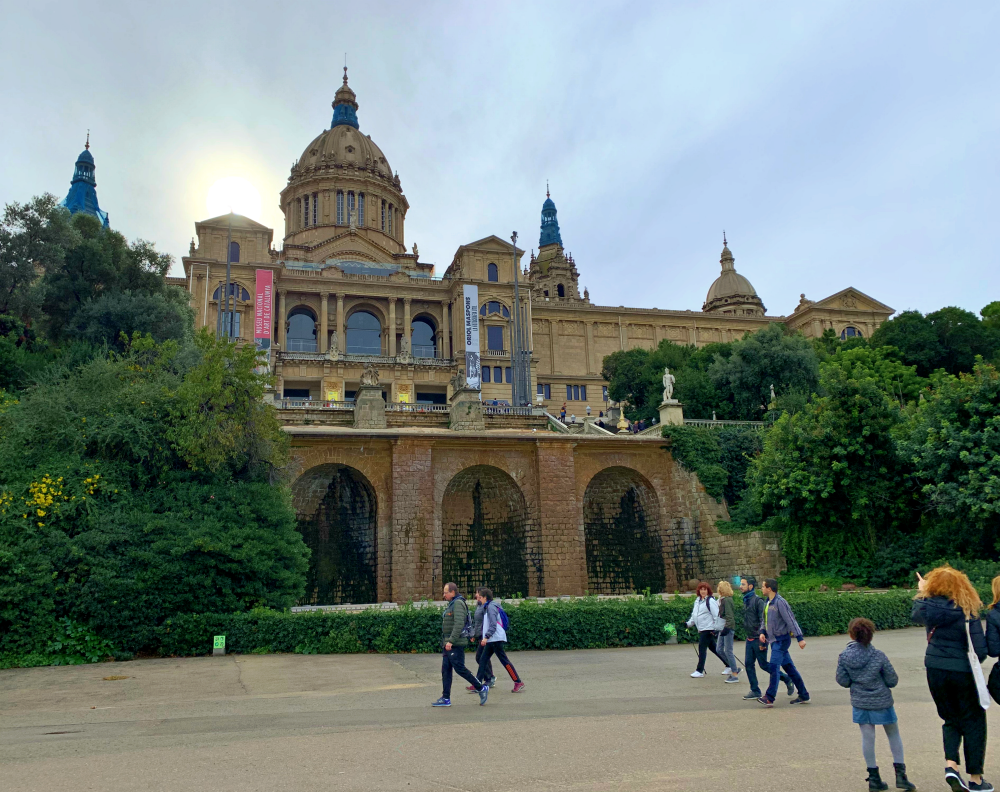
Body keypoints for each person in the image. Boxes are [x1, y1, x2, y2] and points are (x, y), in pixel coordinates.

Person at [913, 566, 991, 792]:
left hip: (935, 668)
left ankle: (951, 766)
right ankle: (976, 779)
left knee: (950, 718)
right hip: (963, 671)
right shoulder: (967, 610)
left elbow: (917, 610)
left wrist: (924, 590)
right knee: (974, 721)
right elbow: (981, 650)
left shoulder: (927, 609)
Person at [836, 617, 915, 791]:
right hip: (882, 700)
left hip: (860, 701)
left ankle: (873, 778)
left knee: (867, 737)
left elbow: (842, 680)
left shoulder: (844, 656)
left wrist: (854, 682)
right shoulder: (878, 655)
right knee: (893, 734)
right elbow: (892, 680)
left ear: (851, 635)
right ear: (871, 635)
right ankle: (901, 775)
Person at [432, 582, 488, 707]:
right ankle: (446, 698)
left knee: (459, 668)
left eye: (446, 592)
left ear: (453, 592)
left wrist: (451, 641)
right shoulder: (453, 603)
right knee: (446, 670)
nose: (444, 595)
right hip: (449, 643)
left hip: (455, 643)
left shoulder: (457, 603)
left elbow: (458, 624)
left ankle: (481, 688)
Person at [757, 577, 810, 707]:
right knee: (790, 668)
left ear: (769, 588)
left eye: (763, 586)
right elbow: (765, 620)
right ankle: (803, 694)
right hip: (774, 640)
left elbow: (790, 620)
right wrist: (762, 632)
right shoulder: (767, 602)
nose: (762, 588)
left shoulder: (780, 602)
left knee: (774, 666)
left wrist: (800, 638)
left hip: (781, 640)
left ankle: (769, 697)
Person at [740, 576, 793, 700]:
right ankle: (755, 690)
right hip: (750, 638)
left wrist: (762, 638)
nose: (740, 586)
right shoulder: (746, 600)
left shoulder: (758, 601)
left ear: (750, 586)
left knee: (763, 665)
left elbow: (763, 620)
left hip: (759, 638)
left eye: (743, 584)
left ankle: (786, 678)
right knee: (748, 664)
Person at [473, 587, 525, 693]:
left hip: (495, 639)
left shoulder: (491, 607)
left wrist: (486, 637)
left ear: (485, 597)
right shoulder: (488, 606)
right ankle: (477, 685)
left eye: (481, 597)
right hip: (492, 639)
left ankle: (518, 682)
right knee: (482, 660)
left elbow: (493, 625)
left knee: (504, 661)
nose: (479, 599)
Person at [686, 582, 727, 677]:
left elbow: (716, 615)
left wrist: (717, 628)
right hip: (702, 629)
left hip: (708, 629)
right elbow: (694, 616)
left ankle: (699, 670)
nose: (703, 591)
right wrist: (688, 624)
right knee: (714, 648)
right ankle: (729, 665)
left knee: (702, 648)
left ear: (708, 590)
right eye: (701, 589)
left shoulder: (710, 601)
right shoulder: (697, 601)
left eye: (705, 589)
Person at [467, 590, 495, 692]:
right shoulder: (479, 605)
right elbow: (477, 622)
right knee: (483, 657)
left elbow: (487, 622)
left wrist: (486, 636)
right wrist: (474, 633)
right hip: (480, 635)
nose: (476, 595)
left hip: (485, 636)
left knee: (480, 657)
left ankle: (487, 679)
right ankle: (488, 678)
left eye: (477, 593)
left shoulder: (486, 606)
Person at [716, 581, 740, 683]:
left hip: (727, 628)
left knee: (728, 650)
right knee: (719, 649)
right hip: (723, 627)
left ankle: (734, 673)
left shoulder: (726, 600)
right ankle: (733, 667)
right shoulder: (723, 600)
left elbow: (729, 616)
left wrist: (727, 627)